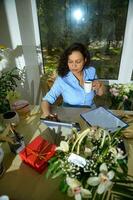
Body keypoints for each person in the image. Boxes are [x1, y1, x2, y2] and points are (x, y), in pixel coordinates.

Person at [41, 43, 105, 118]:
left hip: (90, 113)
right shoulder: (62, 79)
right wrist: (47, 115)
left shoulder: (91, 71)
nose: (74, 66)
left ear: (85, 60)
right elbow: (46, 100)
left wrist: (100, 85)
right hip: (70, 115)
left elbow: (100, 93)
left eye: (78, 62)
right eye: (70, 62)